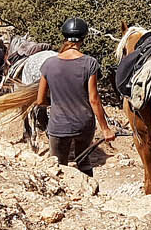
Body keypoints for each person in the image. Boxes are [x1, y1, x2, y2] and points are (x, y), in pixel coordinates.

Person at [35, 17, 114, 174]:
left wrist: (55, 103)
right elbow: (94, 99)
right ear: (83, 39)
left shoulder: (48, 64)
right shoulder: (90, 63)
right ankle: (91, 194)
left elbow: (40, 100)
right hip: (84, 124)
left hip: (58, 125)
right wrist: (105, 129)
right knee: (84, 162)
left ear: (64, 37)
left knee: (59, 166)